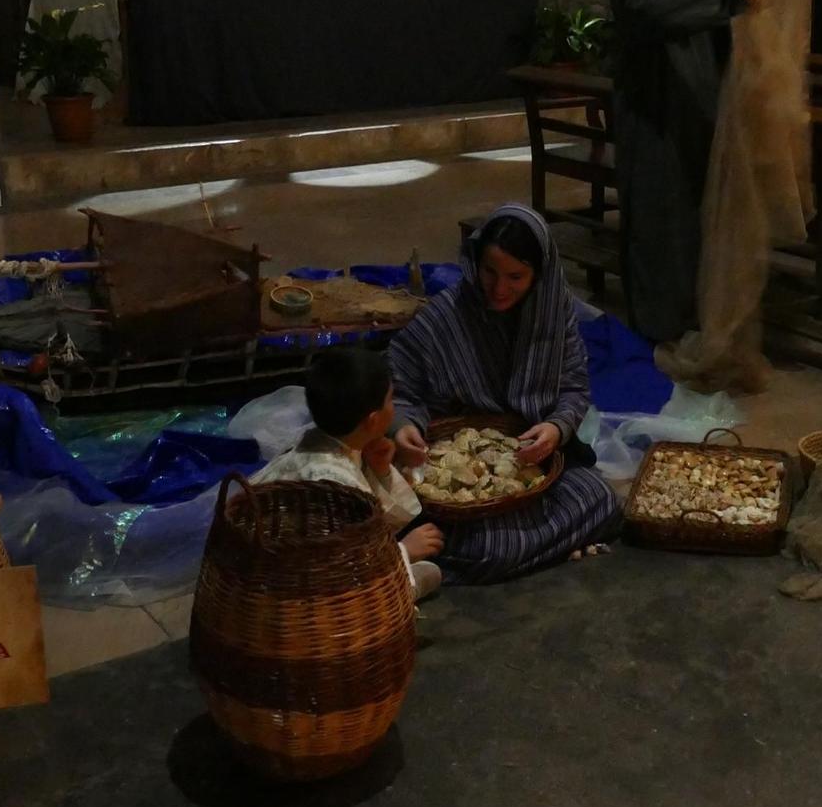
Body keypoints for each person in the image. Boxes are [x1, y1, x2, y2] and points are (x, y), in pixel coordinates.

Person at [608, 0, 801, 343]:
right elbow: (658, 11)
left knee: (702, 229)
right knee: (658, 233)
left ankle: (697, 320)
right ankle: (657, 330)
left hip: (701, 124)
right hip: (653, 126)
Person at [387, 205, 621, 582]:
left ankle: (509, 550)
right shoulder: (447, 315)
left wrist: (556, 429)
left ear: (539, 274)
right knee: (491, 548)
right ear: (474, 263)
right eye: (489, 272)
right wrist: (403, 427)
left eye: (516, 276)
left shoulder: (553, 312)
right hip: (463, 477)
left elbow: (574, 388)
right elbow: (401, 389)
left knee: (605, 501)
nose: (498, 288)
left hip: (534, 460)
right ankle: (516, 549)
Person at [250, 347, 446, 602]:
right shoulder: (338, 487)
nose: (394, 407)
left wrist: (380, 471)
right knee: (430, 572)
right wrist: (404, 550)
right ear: (373, 420)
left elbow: (368, 526)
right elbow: (340, 567)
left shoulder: (312, 444)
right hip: (301, 594)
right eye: (391, 400)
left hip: (260, 578)